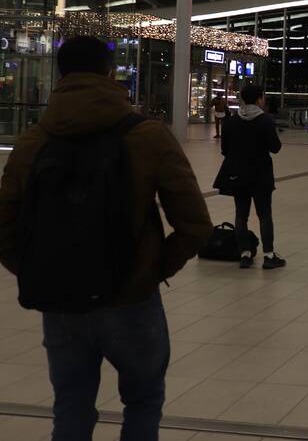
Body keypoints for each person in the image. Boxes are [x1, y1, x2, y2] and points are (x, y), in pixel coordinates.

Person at [0, 36, 213, 441]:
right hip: (132, 300)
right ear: (111, 73)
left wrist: (32, 267)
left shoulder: (33, 141)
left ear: (59, 75)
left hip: (60, 301)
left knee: (71, 406)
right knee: (144, 399)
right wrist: (149, 269)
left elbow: (4, 223)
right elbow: (195, 225)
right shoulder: (147, 135)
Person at [214, 84, 286, 270]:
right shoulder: (265, 121)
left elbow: (225, 150)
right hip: (260, 175)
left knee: (241, 215)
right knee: (264, 215)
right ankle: (269, 256)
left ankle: (244, 254)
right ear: (259, 99)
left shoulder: (231, 121)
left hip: (238, 175)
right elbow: (276, 148)